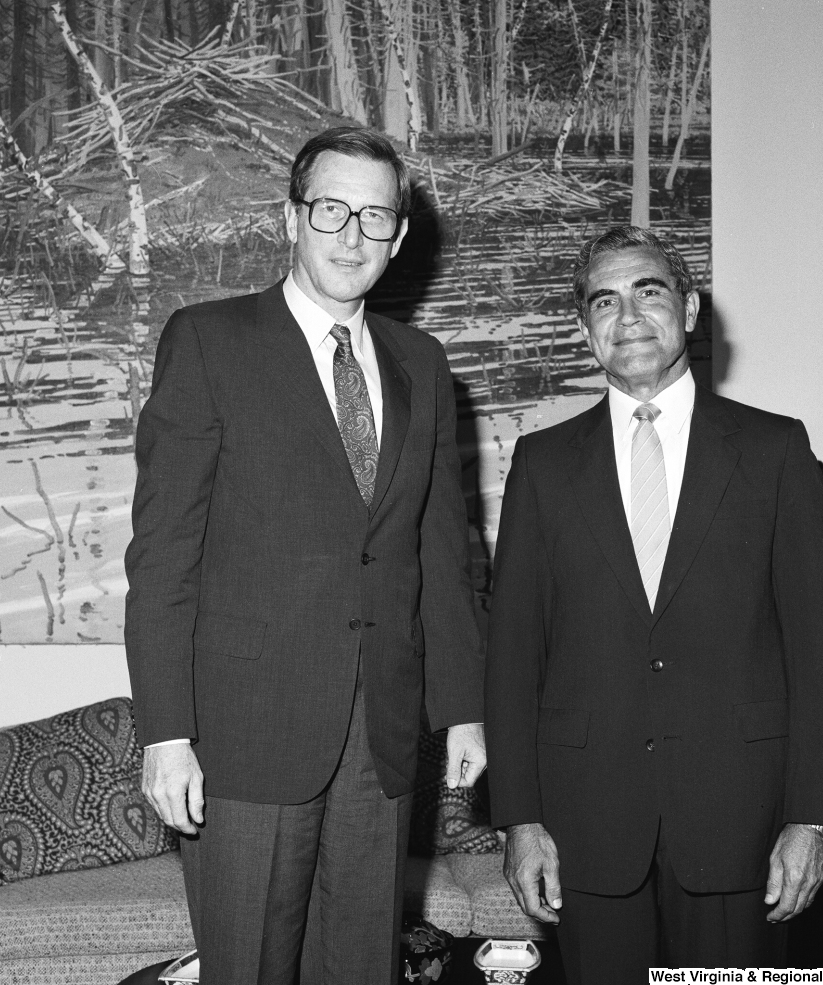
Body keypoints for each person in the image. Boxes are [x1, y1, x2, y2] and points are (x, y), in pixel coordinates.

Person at [125, 126, 486, 985]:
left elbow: (442, 546)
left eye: (375, 215)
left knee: (361, 968)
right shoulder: (209, 341)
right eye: (332, 209)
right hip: (244, 738)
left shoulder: (422, 365)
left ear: (399, 236)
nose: (353, 235)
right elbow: (164, 556)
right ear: (292, 219)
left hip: (385, 738)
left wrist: (465, 704)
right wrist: (166, 733)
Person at [484, 226, 823, 981]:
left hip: (741, 822)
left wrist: (812, 820)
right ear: (585, 330)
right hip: (585, 825)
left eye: (648, 292)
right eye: (604, 302)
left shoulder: (776, 451)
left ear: (687, 309)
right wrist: (519, 821)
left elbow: (820, 653)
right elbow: (512, 656)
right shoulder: (543, 466)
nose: (629, 317)